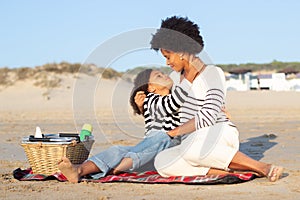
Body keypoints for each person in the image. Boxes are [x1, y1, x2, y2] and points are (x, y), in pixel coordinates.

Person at [145, 15, 283, 182]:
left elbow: (209, 115)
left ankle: (261, 167)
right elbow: (167, 107)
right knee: (163, 162)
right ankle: (224, 171)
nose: (167, 63)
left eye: (168, 56)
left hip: (218, 133)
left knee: (192, 149)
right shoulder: (174, 79)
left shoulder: (212, 73)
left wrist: (173, 132)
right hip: (190, 140)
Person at [58, 68, 192, 183]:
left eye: (163, 73)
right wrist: (190, 76)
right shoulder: (151, 99)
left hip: (164, 149)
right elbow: (173, 103)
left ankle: (114, 168)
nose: (165, 75)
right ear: (151, 88)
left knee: (129, 150)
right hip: (155, 145)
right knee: (118, 149)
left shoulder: (162, 100)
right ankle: (80, 170)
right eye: (159, 76)